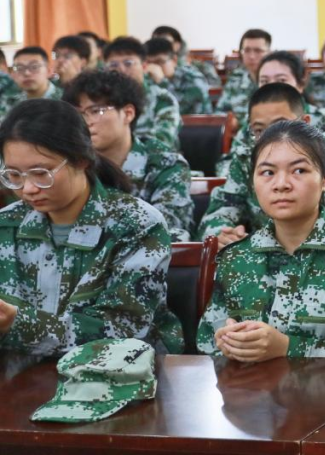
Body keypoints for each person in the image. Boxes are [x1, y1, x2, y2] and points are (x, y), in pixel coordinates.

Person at [196, 120, 325, 360]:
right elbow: (207, 347)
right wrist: (227, 344)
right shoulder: (236, 258)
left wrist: (288, 348)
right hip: (249, 385)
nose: (281, 185)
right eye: (268, 173)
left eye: (299, 171)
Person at [0, 100, 183, 356]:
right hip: (19, 372)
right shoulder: (6, 224)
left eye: (41, 173)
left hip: (114, 372)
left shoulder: (136, 224)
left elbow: (122, 328)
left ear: (81, 160)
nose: (28, 189)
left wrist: (17, 323)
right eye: (14, 175)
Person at [197, 83, 325, 248]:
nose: (271, 138)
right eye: (259, 130)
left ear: (305, 123)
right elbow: (221, 210)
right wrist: (224, 235)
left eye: (281, 126)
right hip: (258, 254)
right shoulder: (246, 158)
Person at [63, 71, 194, 242]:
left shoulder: (166, 164)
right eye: (78, 114)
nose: (86, 122)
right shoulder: (68, 163)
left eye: (95, 111)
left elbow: (166, 230)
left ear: (128, 113)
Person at [103, 37, 182, 150]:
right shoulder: (101, 103)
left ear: (144, 66)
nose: (121, 70)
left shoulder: (162, 99)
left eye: (128, 63)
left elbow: (162, 142)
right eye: (113, 65)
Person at [143, 37, 212, 115]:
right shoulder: (147, 78)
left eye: (160, 62)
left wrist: (162, 82)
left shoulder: (193, 79)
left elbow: (176, 110)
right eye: (149, 63)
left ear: (174, 60)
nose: (154, 68)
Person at [216, 28, 271, 122]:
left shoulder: (278, 79)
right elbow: (220, 112)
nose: (252, 56)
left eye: (258, 51)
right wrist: (231, 122)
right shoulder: (235, 78)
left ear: (269, 53)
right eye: (247, 50)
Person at [151, 25, 222, 88]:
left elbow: (214, 90)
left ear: (177, 45)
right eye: (155, 43)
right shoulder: (150, 68)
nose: (160, 47)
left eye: (165, 42)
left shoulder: (200, 68)